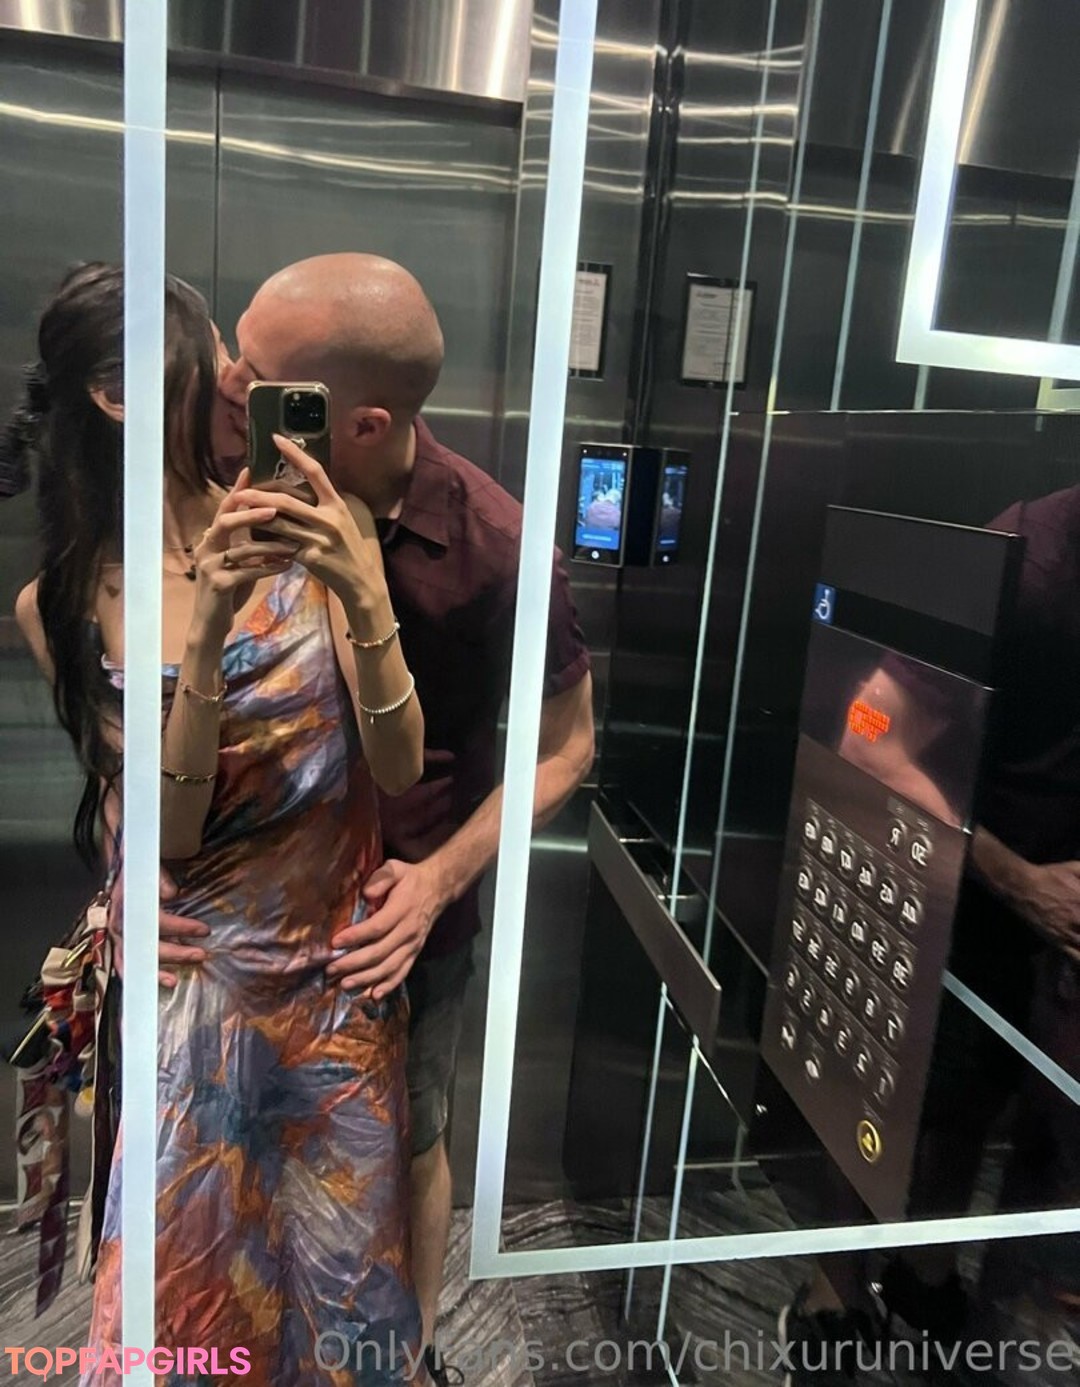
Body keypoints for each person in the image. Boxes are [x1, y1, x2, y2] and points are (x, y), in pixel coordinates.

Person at [7, 262, 428, 1385]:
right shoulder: (71, 601)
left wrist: (364, 592)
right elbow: (168, 829)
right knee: (188, 1320)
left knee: (344, 1312)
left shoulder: (317, 523)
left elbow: (396, 765)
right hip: (202, 1008)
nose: (242, 380)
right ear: (118, 395)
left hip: (338, 994)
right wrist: (203, 639)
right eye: (215, 361)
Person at [214, 252, 596, 1373]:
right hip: (251, 902)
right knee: (246, 1140)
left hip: (399, 914)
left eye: (262, 378)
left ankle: (411, 1353)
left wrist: (438, 882)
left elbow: (570, 746)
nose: (232, 385)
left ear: (364, 422)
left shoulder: (497, 549)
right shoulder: (236, 479)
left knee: (410, 1137)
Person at [780, 487, 1080, 1382]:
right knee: (887, 1085)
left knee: (982, 1111)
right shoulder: (1022, 562)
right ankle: (837, 1287)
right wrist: (1019, 880)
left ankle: (928, 1272)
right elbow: (868, 738)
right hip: (963, 871)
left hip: (1049, 912)